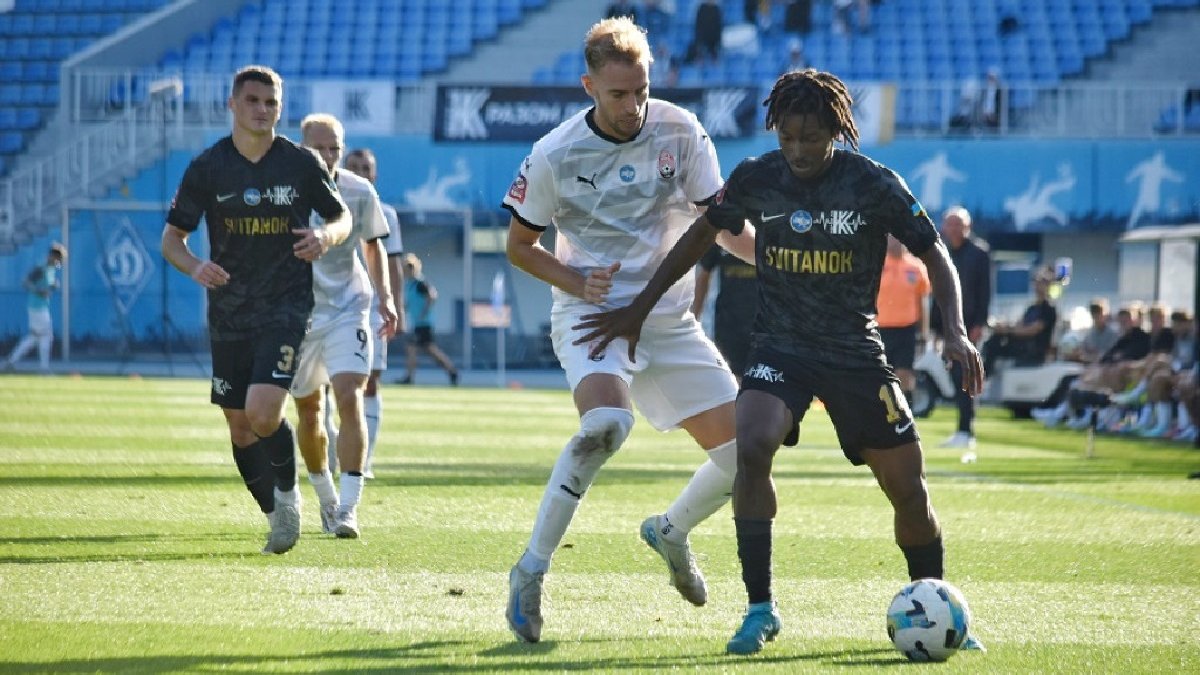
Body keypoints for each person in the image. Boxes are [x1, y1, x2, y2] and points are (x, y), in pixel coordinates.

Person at [573, 68, 984, 656]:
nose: (798, 150)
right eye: (787, 137)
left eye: (810, 138)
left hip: (854, 353)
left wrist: (957, 331)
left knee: (907, 488)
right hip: (780, 348)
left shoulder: (873, 183)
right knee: (753, 443)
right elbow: (700, 236)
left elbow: (935, 253)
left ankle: (937, 602)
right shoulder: (757, 176)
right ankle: (760, 609)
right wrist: (639, 308)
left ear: (835, 132)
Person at [500, 16, 754, 644]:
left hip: (666, 317)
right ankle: (531, 570)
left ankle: (670, 531)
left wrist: (782, 259)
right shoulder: (555, 153)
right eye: (618, 93)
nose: (632, 105)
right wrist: (575, 280)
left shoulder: (681, 131)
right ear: (589, 86)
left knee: (748, 457)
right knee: (606, 426)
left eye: (641, 90)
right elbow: (519, 246)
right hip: (593, 315)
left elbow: (722, 225)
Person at [160, 65, 350, 555]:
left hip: (286, 305)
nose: (262, 110)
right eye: (252, 101)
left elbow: (341, 216)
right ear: (232, 104)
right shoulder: (208, 167)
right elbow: (172, 239)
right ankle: (274, 514)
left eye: (271, 102)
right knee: (239, 425)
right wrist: (195, 266)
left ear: (280, 109)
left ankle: (289, 497)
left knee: (263, 412)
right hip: (228, 311)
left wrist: (325, 235)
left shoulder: (301, 163)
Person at [291, 114, 397, 540]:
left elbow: (373, 246)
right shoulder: (283, 191)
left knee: (350, 395)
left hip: (349, 307)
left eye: (334, 147)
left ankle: (349, 508)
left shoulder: (358, 190)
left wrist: (385, 296)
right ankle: (326, 498)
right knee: (309, 410)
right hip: (299, 315)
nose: (327, 155)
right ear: (301, 148)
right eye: (318, 148)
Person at [344, 147, 407, 479]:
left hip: (372, 308)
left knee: (370, 383)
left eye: (365, 167)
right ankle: (334, 454)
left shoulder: (387, 214)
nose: (360, 172)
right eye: (354, 166)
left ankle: (363, 460)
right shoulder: (327, 206)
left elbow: (393, 264)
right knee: (330, 384)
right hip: (336, 305)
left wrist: (395, 304)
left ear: (375, 174)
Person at [931, 206, 990, 450]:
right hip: (945, 325)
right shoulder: (940, 251)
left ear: (968, 227)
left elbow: (984, 291)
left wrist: (979, 323)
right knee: (953, 377)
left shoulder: (979, 253)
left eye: (959, 224)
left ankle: (966, 430)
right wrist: (935, 327)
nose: (954, 229)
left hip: (968, 326)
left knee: (965, 376)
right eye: (950, 224)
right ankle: (962, 430)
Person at [876, 234, 931, 405]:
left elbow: (923, 303)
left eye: (899, 237)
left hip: (906, 330)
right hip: (880, 329)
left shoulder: (916, 267)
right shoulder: (877, 264)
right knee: (880, 374)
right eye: (892, 238)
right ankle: (881, 411)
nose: (896, 241)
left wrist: (924, 333)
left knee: (904, 374)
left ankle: (905, 409)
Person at [694, 243, 758, 382]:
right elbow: (704, 275)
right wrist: (693, 319)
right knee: (731, 379)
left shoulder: (770, 233)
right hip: (729, 324)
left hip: (765, 325)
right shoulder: (723, 233)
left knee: (765, 380)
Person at [980, 266, 1057, 376]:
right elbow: (1019, 325)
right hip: (1023, 344)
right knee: (994, 341)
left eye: (1043, 282)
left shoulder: (1048, 309)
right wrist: (1004, 327)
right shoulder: (1031, 308)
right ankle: (984, 371)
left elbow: (1032, 330)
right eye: (1037, 281)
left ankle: (986, 374)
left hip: (1033, 349)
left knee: (997, 344)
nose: (1038, 285)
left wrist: (1008, 331)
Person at [3, 242, 67, 374]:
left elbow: (47, 286)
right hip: (37, 306)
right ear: (52, 256)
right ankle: (44, 368)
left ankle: (11, 361)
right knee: (46, 335)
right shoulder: (41, 268)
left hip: (41, 305)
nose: (59, 262)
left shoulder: (51, 268)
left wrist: (53, 286)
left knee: (34, 337)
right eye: (58, 259)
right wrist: (39, 291)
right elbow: (25, 282)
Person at [399, 252, 458, 386]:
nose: (407, 270)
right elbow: (410, 303)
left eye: (409, 267)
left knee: (412, 347)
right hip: (417, 324)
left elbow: (432, 296)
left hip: (424, 324)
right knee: (430, 351)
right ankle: (451, 371)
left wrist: (424, 312)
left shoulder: (420, 283)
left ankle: (409, 377)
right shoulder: (410, 285)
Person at [688, 0, 723, 65]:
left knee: (715, 49)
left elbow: (719, 27)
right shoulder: (701, 8)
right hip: (702, 38)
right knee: (698, 47)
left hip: (713, 39)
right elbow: (698, 26)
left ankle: (714, 61)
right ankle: (699, 60)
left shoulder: (717, 9)